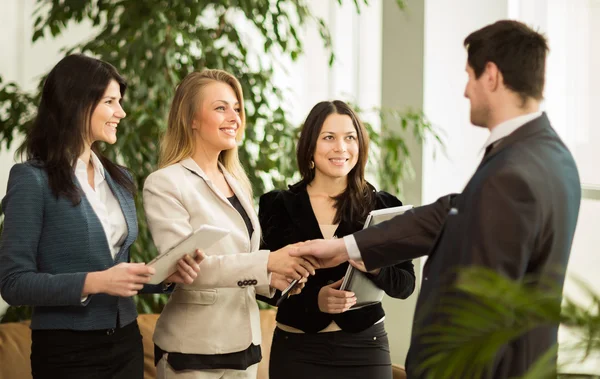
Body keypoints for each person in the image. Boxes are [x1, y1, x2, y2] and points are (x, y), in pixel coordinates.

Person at [291, 20, 581, 378]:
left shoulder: (514, 172)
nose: (465, 91)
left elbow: (483, 308)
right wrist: (344, 248)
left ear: (490, 76)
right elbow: (452, 210)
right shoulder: (547, 154)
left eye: (469, 76)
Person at [0, 54, 202, 379]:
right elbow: (13, 283)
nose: (120, 112)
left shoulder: (120, 179)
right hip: (67, 351)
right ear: (77, 103)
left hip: (125, 343)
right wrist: (95, 282)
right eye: (110, 102)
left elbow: (119, 269)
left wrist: (163, 276)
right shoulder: (31, 179)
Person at [143, 69, 318, 379]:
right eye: (221, 107)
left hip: (244, 346)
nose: (234, 117)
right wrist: (269, 261)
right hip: (193, 351)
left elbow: (240, 261)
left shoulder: (236, 181)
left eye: (237, 108)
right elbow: (186, 269)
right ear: (191, 119)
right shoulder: (165, 183)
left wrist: (274, 278)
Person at [257, 100, 416, 379]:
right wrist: (314, 300)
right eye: (328, 137)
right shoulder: (277, 205)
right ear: (310, 147)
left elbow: (405, 285)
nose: (341, 147)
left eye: (350, 138)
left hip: (366, 347)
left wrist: (374, 264)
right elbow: (261, 285)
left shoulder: (383, 206)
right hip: (298, 350)